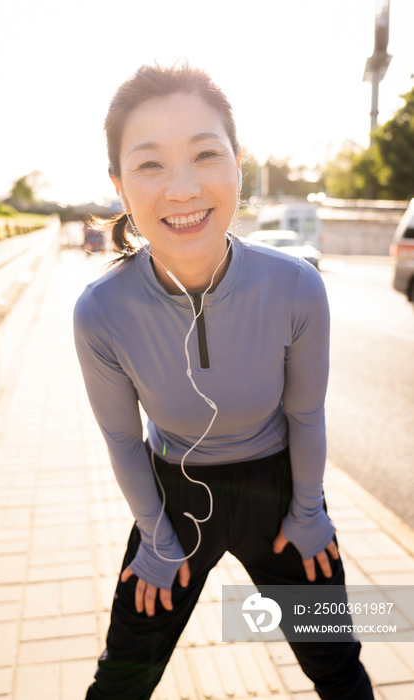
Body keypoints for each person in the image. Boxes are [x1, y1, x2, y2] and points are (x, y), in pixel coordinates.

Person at [73, 63, 374, 700]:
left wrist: (309, 509)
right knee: (121, 679)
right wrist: (156, 540)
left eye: (205, 154)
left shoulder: (296, 287)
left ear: (238, 164)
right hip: (171, 501)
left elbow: (307, 416)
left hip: (281, 493)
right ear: (119, 187)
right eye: (150, 164)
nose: (182, 189)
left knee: (338, 667)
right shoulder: (100, 311)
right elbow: (124, 443)